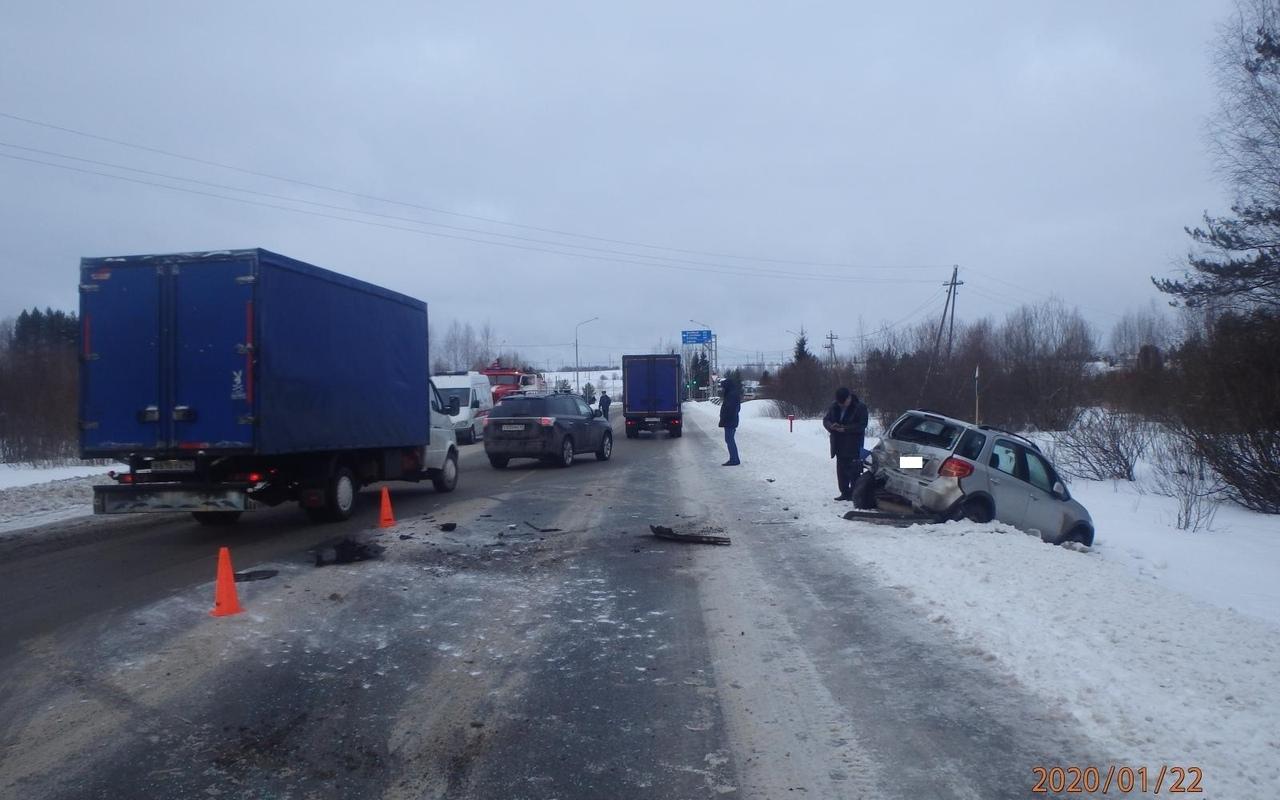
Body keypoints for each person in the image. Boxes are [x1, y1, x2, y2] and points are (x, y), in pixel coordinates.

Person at [822, 386, 868, 500]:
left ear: (849, 398)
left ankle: (854, 494)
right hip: (838, 443)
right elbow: (826, 420)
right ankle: (844, 492)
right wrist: (831, 426)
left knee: (854, 470)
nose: (842, 405)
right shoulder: (834, 406)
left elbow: (862, 425)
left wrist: (845, 429)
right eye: (840, 403)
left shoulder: (860, 407)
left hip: (853, 444)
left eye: (844, 402)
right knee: (841, 471)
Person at [718, 378, 741, 466]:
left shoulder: (731, 395)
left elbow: (730, 409)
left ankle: (734, 459)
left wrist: (725, 418)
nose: (723, 389)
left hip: (730, 421)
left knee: (729, 439)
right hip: (731, 420)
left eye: (723, 387)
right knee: (729, 439)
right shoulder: (732, 393)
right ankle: (734, 458)